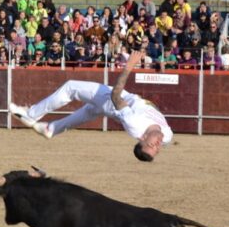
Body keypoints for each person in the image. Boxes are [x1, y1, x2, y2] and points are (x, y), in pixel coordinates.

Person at [9, 51, 172, 162]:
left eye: (152, 145)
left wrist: (129, 65)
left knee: (71, 87)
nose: (158, 145)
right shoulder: (167, 136)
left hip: (113, 100)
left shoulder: (135, 123)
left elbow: (115, 95)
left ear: (142, 138)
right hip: (118, 108)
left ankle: (31, 114)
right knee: (88, 112)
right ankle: (51, 129)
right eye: (156, 148)